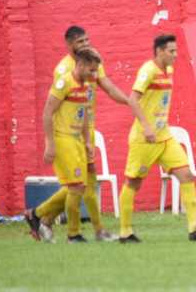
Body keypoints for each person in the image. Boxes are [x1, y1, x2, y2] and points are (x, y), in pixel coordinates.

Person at [26, 26, 128, 243]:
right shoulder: (64, 73)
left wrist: (130, 102)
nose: (85, 44)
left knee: (85, 183)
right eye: (80, 42)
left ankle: (43, 218)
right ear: (70, 45)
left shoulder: (91, 65)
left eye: (87, 40)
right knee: (78, 186)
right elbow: (51, 111)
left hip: (83, 131)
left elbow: (106, 88)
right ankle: (60, 225)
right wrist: (51, 142)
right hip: (66, 135)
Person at [118, 34, 196, 243]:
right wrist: (146, 127)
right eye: (171, 51)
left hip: (164, 136)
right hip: (145, 139)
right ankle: (125, 232)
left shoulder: (169, 70)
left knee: (187, 175)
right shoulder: (148, 71)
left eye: (176, 50)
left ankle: (195, 227)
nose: (176, 54)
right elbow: (133, 99)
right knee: (133, 183)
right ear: (160, 51)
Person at [25, 48, 102, 243]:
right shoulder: (63, 82)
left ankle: (37, 215)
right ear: (81, 65)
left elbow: (83, 115)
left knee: (78, 187)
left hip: (76, 140)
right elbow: (47, 113)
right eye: (91, 70)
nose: (94, 75)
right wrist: (50, 143)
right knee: (76, 187)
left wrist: (87, 141)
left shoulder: (85, 85)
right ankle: (73, 234)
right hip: (62, 138)